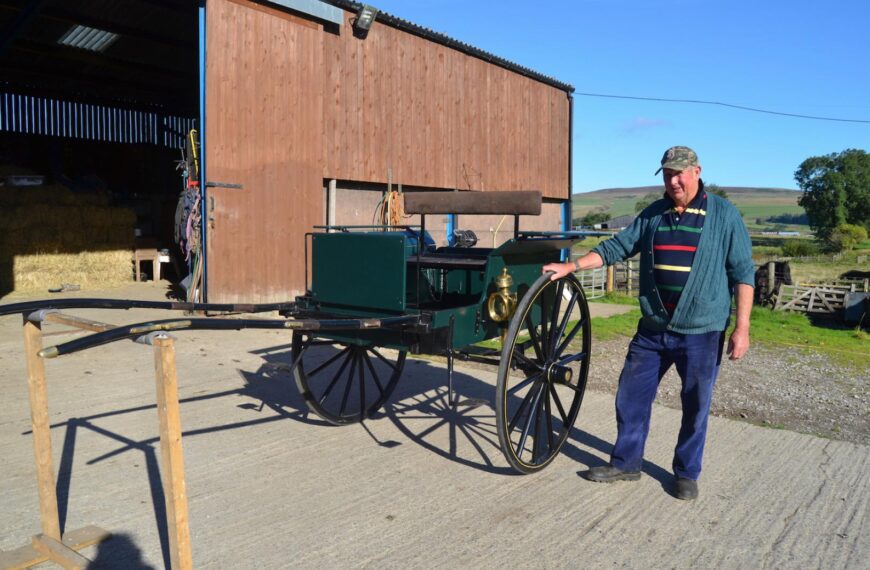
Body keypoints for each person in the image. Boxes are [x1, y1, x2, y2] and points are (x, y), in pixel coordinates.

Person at [543, 146, 754, 500]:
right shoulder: (654, 214)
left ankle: (686, 473)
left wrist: (742, 329)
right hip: (654, 327)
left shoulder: (724, 215)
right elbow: (615, 248)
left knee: (696, 404)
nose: (673, 181)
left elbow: (744, 273)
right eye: (668, 174)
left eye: (680, 173)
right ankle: (626, 462)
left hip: (702, 331)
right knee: (631, 396)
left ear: (697, 172)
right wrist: (571, 266)